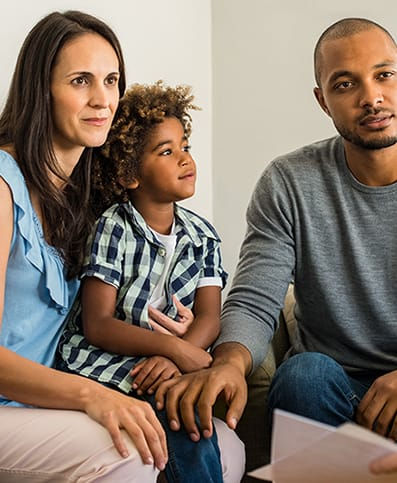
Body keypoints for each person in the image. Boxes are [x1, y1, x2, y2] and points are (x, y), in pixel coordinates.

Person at [154, 16, 397, 474]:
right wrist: (227, 364)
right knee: (303, 375)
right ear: (323, 101)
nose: (372, 97)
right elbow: (254, 296)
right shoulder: (289, 182)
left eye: (384, 75)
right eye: (346, 84)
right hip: (332, 385)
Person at [0, 11, 169, 482]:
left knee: (222, 443)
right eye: (81, 80)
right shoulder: (2, 185)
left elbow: (111, 312)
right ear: (41, 89)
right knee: (131, 455)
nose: (103, 100)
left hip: (41, 404)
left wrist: (174, 334)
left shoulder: (92, 199)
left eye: (112, 80)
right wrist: (92, 396)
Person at [58, 81, 245, 483]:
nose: (184, 158)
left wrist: (178, 354)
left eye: (185, 146)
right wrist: (173, 350)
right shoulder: (113, 227)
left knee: (196, 415)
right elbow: (98, 323)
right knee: (182, 421)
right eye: (166, 151)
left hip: (171, 362)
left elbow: (210, 317)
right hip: (110, 364)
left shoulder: (203, 236)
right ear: (129, 174)